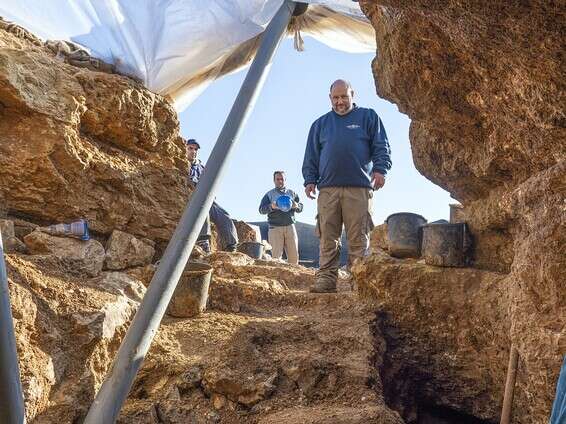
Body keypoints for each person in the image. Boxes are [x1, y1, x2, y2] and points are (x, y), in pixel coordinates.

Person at [302, 79, 392, 293]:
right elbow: (311, 155)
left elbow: (382, 146)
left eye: (344, 96)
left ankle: (358, 282)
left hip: (359, 188)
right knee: (327, 237)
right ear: (330, 97)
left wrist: (380, 170)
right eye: (336, 97)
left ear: (353, 94)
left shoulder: (368, 117)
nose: (340, 101)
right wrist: (309, 179)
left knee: (358, 239)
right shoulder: (320, 124)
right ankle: (326, 280)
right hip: (328, 189)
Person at [185, 138, 238, 253]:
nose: (193, 151)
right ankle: (203, 242)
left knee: (224, 215)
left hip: (207, 198)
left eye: (195, 149)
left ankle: (231, 245)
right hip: (191, 198)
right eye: (190, 148)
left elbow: (211, 184)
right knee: (202, 209)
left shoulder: (202, 168)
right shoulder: (182, 163)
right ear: (185, 149)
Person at [258, 171, 303, 265]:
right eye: (277, 179)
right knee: (276, 258)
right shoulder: (269, 195)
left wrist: (296, 206)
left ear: (285, 180)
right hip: (275, 228)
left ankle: (293, 278)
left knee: (294, 256)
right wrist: (271, 206)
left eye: (282, 179)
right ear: (274, 180)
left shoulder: (292, 193)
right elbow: (261, 210)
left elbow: (301, 207)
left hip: (290, 226)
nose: (280, 181)